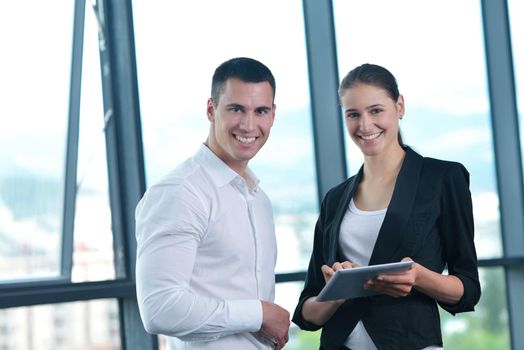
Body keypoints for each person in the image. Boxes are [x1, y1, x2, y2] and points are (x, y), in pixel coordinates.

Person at [292, 63, 481, 350]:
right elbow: (307, 312)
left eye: (376, 110)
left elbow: (467, 289)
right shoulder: (335, 198)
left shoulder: (442, 179)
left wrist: (418, 276)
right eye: (353, 114)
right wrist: (337, 291)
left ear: (399, 106)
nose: (365, 125)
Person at [135, 57, 290, 350]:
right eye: (236, 109)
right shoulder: (180, 192)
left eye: (261, 111)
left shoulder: (259, 200)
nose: (249, 124)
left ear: (273, 115)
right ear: (211, 109)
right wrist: (259, 313)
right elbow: (160, 308)